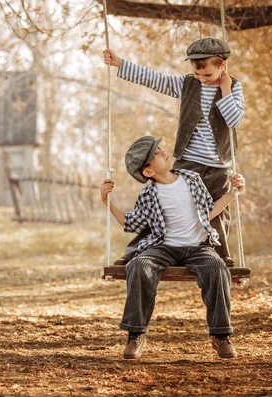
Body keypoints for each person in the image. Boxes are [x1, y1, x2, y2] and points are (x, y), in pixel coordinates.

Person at [100, 135, 245, 360]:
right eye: (156, 154)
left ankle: (221, 335)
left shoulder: (192, 179)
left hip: (198, 246)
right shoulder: (149, 194)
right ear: (148, 171)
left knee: (217, 268)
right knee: (139, 265)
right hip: (163, 247)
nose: (163, 152)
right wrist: (107, 202)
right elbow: (130, 223)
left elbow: (207, 211)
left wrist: (232, 193)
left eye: (159, 148)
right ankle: (135, 334)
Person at [103, 37, 245, 267]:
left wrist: (225, 88)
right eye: (197, 74)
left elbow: (234, 119)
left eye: (207, 75)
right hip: (188, 163)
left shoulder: (234, 87)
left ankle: (221, 256)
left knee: (218, 211)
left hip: (218, 166)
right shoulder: (188, 84)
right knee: (160, 203)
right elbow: (155, 79)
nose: (201, 79)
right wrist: (121, 63)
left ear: (222, 66)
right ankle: (133, 253)